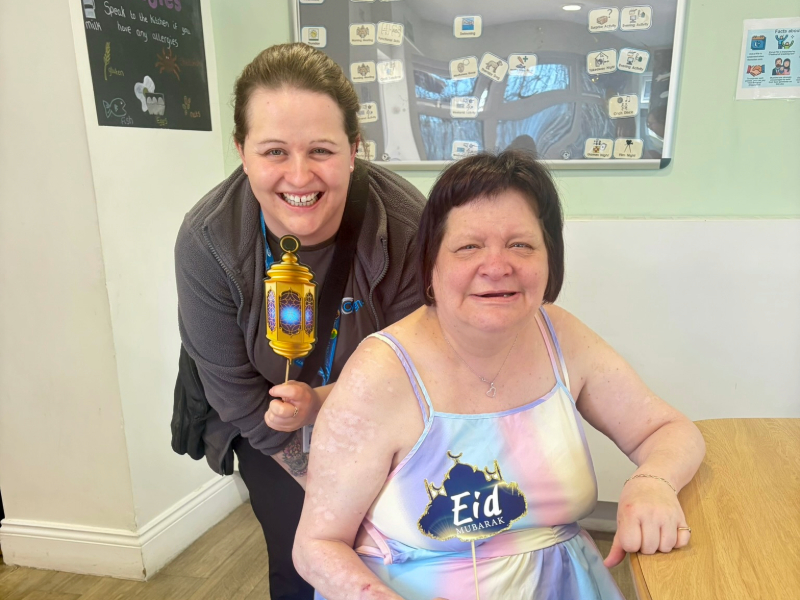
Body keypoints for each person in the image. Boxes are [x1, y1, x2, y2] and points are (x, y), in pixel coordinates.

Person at [294, 150, 706, 600]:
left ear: (550, 259)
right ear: (432, 265)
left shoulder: (560, 336)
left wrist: (653, 483)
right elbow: (317, 545)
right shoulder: (381, 372)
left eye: (521, 244)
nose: (497, 266)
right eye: (469, 246)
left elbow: (668, 430)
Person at [175, 43, 426, 600]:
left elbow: (418, 368)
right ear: (241, 151)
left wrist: (361, 483)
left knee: (400, 560)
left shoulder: (406, 225)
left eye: (321, 150)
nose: (298, 176)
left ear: (354, 149)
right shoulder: (208, 242)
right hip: (269, 430)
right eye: (273, 151)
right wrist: (322, 486)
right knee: (301, 566)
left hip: (385, 427)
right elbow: (236, 393)